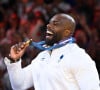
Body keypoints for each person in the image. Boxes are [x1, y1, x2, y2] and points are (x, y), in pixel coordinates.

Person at [4, 13, 100, 90]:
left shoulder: (78, 57)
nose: (48, 26)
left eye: (55, 23)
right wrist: (14, 61)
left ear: (66, 32)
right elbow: (19, 85)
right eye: (49, 23)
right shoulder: (42, 56)